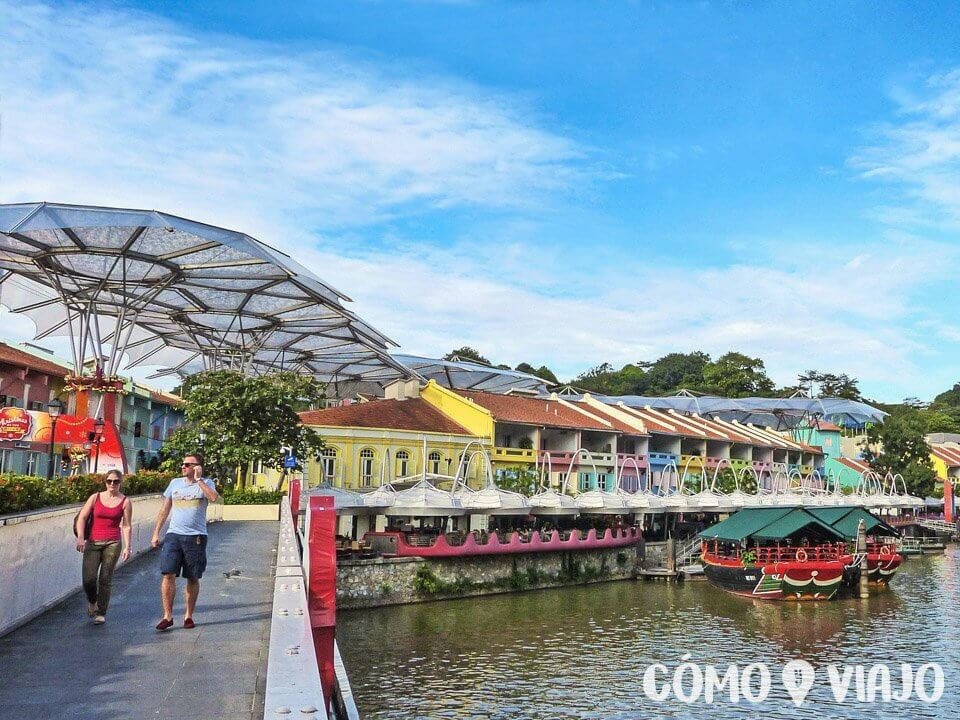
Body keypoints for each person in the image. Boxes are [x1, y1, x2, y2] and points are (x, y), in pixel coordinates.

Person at [151, 453, 218, 631]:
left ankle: (188, 615)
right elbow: (165, 509)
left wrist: (199, 480)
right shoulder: (175, 483)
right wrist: (156, 533)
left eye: (188, 464)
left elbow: (213, 498)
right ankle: (167, 616)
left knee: (193, 576)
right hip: (174, 535)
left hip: (196, 536)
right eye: (183, 464)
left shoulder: (206, 483)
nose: (183, 467)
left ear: (198, 467)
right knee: (168, 574)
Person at [75, 469, 132, 625]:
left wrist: (127, 547)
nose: (112, 484)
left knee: (105, 578)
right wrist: (80, 537)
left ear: (120, 483)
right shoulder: (95, 498)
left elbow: (126, 525)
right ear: (105, 482)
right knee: (89, 580)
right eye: (109, 481)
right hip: (93, 542)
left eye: (116, 481)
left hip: (112, 542)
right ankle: (92, 600)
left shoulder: (125, 501)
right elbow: (82, 517)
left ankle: (101, 612)